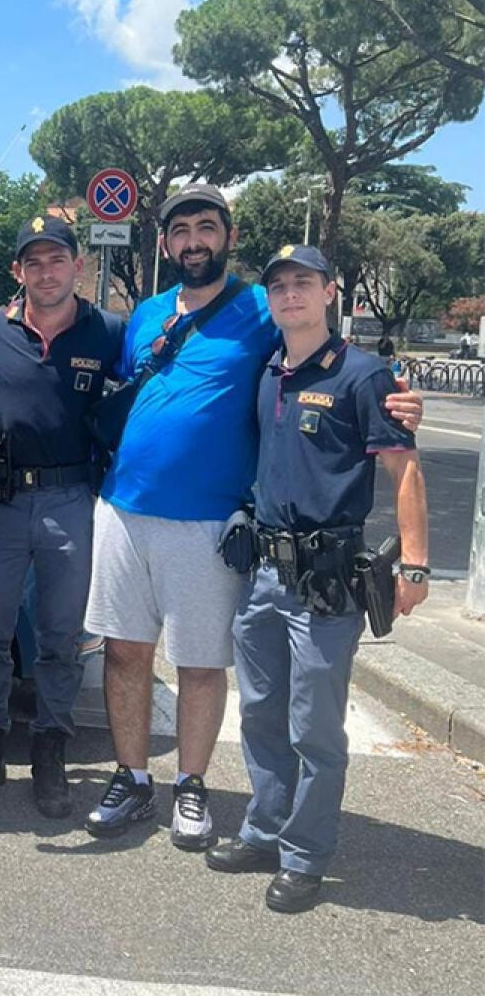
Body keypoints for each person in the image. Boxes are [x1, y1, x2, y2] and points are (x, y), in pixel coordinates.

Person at [82, 184, 423, 852]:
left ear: (228, 237)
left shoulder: (261, 308)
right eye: (182, 231)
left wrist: (396, 396)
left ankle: (191, 784)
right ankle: (131, 777)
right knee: (124, 652)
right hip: (123, 509)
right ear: (165, 244)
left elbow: (321, 357)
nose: (194, 241)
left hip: (209, 520)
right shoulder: (147, 314)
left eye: (206, 227)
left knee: (199, 661)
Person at [205, 245, 429, 913]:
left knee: (315, 729)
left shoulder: (363, 375)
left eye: (303, 282)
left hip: (325, 583)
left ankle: (303, 855)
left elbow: (405, 470)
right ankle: (265, 828)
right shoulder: (268, 370)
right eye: (278, 286)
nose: (290, 294)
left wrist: (415, 563)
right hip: (263, 576)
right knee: (260, 714)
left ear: (330, 292)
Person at [0, 216, 124, 819]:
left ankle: (51, 752)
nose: (47, 273)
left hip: (71, 499)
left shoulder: (108, 333)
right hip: (0, 500)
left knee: (60, 639)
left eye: (57, 260)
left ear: (79, 266)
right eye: (34, 263)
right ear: (17, 271)